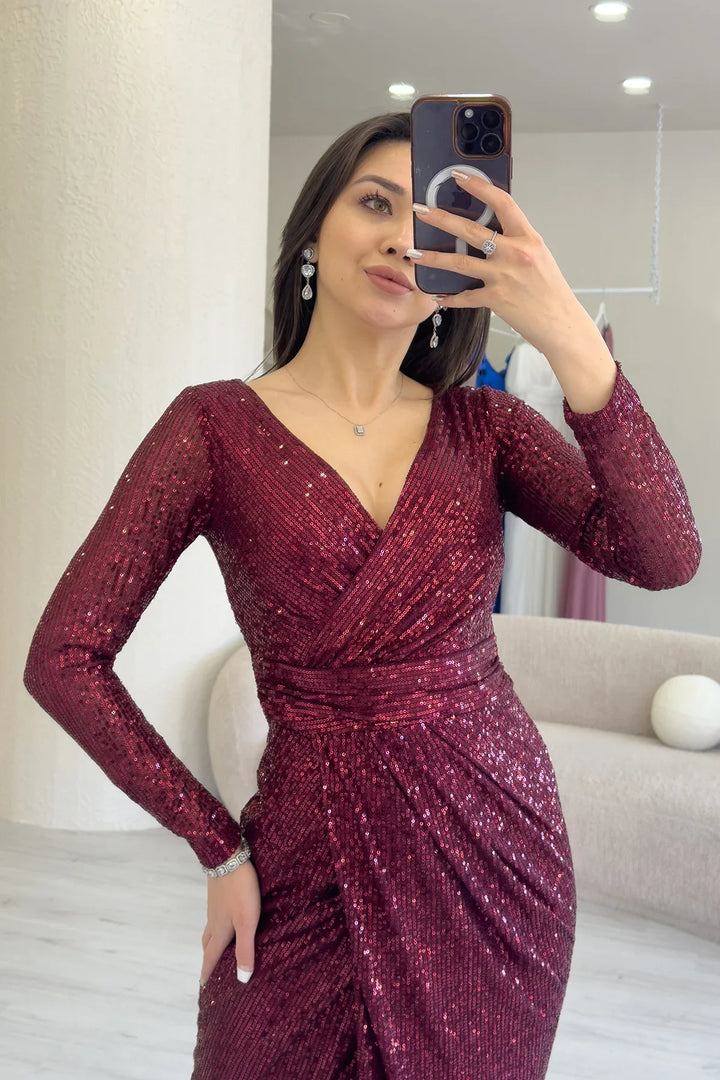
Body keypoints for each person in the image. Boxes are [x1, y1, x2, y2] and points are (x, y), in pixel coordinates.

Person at [23, 111, 701, 1080]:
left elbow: (665, 556)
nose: (399, 240)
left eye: (428, 223)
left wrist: (564, 331)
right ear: (312, 230)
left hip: (495, 850)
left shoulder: (488, 430)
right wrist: (215, 845)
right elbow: (64, 658)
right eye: (374, 204)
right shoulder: (212, 429)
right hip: (306, 861)